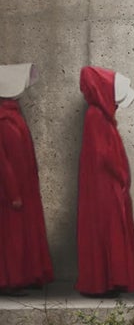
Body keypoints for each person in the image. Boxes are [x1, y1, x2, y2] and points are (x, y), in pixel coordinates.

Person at [76, 66, 134, 296]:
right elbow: (105, 155)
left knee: (110, 230)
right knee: (108, 230)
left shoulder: (99, 116)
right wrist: (121, 175)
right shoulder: (97, 117)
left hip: (107, 185)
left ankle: (110, 280)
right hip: (105, 187)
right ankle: (105, 281)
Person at [0, 63, 53, 294]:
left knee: (24, 234)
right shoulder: (4, 121)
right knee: (12, 237)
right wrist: (13, 193)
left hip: (24, 189)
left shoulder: (12, 117)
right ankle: (10, 280)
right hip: (11, 192)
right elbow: (3, 164)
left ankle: (26, 275)